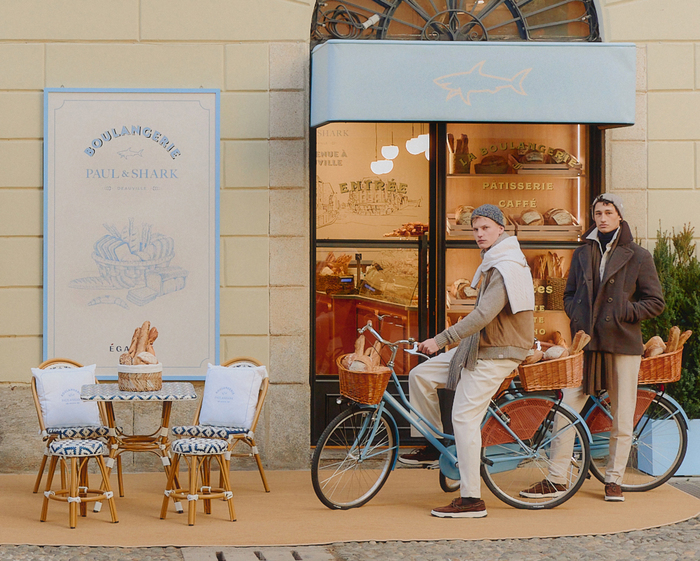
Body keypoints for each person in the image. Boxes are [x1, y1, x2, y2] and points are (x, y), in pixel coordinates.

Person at [520, 193, 664, 503]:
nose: (602, 217)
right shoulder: (583, 252)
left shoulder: (638, 255)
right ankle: (557, 477)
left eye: (608, 212)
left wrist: (624, 312)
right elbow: (568, 293)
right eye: (598, 212)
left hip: (622, 344)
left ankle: (614, 479)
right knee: (566, 408)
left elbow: (655, 302)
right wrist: (575, 312)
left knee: (622, 414)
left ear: (619, 217)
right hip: (585, 342)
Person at [399, 204, 535, 518]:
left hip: (497, 351)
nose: (479, 234)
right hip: (478, 347)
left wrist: (440, 339)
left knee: (463, 418)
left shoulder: (506, 266)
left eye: (485, 227)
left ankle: (472, 499)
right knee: (420, 375)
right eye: (475, 228)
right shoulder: (493, 261)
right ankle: (435, 446)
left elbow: (483, 315)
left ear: (501, 229)